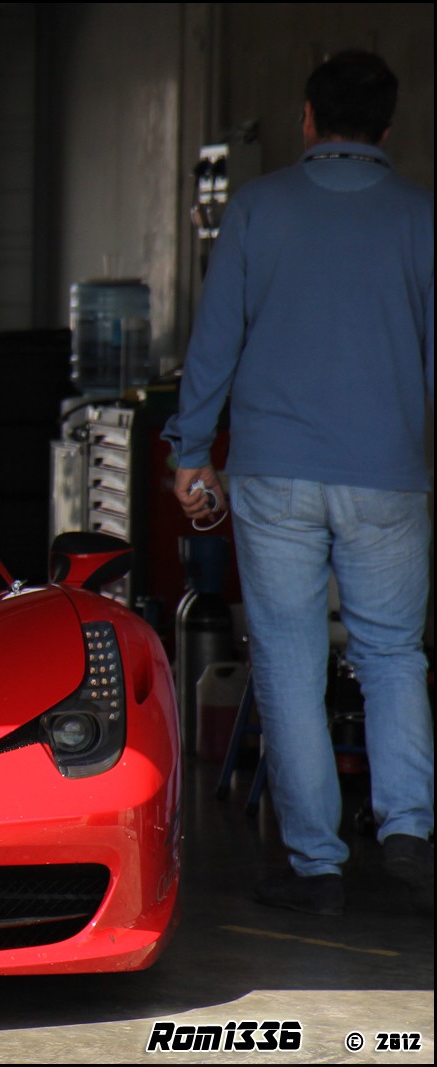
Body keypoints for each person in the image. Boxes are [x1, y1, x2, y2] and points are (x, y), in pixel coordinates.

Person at [164, 51, 434, 915]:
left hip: (274, 474)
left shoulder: (258, 209)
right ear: (387, 128)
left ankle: (315, 865)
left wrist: (189, 449)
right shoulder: (422, 218)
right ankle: (408, 834)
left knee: (288, 663)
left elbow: (215, 343)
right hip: (388, 475)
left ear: (308, 119)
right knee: (393, 655)